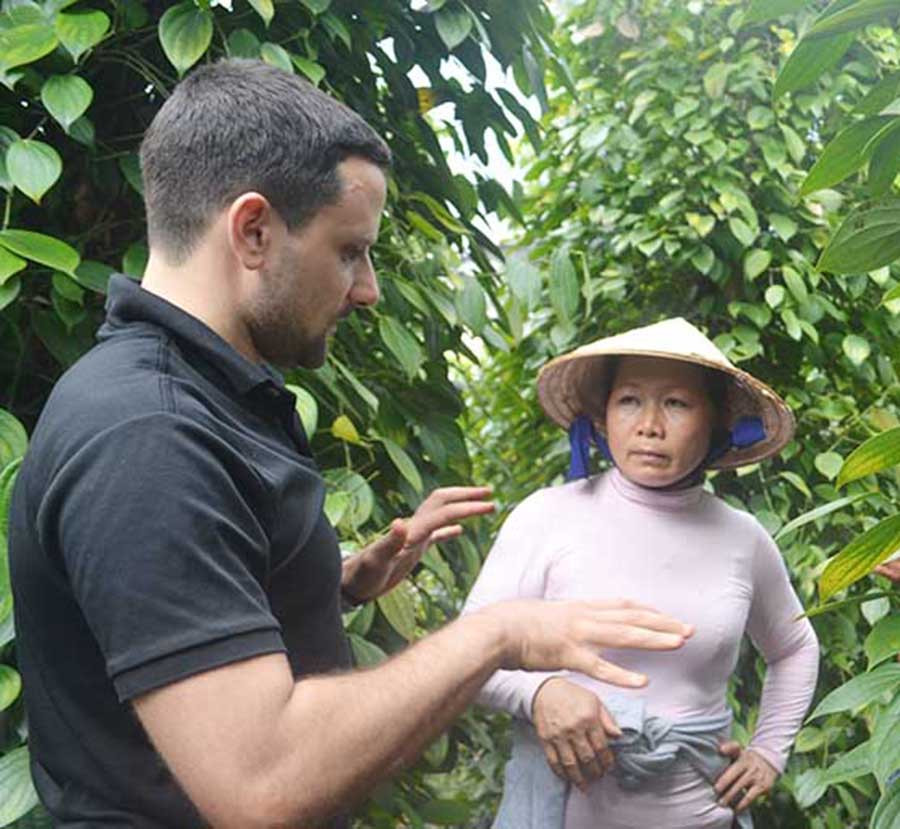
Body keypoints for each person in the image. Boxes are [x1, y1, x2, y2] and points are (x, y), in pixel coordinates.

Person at [7, 60, 695, 829]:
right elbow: (261, 780)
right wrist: (498, 634)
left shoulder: (209, 396)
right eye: (348, 251)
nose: (366, 288)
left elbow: (173, 603)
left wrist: (332, 581)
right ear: (254, 229)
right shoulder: (148, 434)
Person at [463, 318, 821, 829]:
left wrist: (768, 751)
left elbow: (795, 648)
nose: (649, 425)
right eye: (630, 400)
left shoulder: (742, 539)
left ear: (718, 422)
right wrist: (540, 692)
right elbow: (466, 650)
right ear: (604, 417)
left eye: (676, 403)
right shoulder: (546, 517)